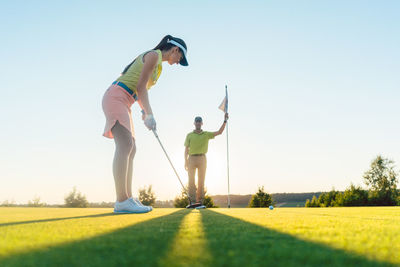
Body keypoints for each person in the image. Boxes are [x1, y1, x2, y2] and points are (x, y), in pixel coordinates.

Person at [102, 35, 188, 213]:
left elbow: (141, 92)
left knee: (131, 148)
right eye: (180, 58)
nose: (179, 62)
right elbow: (141, 87)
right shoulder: (153, 56)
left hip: (126, 101)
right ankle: (122, 201)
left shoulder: (159, 67)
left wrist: (144, 111)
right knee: (125, 145)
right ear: (175, 50)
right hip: (116, 97)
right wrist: (150, 114)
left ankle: (127, 198)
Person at [184, 113, 229, 206]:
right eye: (196, 122)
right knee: (191, 181)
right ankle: (192, 202)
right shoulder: (189, 135)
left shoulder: (206, 134)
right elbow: (186, 149)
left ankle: (199, 202)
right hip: (191, 159)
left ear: (202, 123)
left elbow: (219, 132)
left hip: (202, 159)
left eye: (199, 122)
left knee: (201, 181)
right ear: (194, 123)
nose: (198, 124)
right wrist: (185, 161)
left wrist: (225, 121)